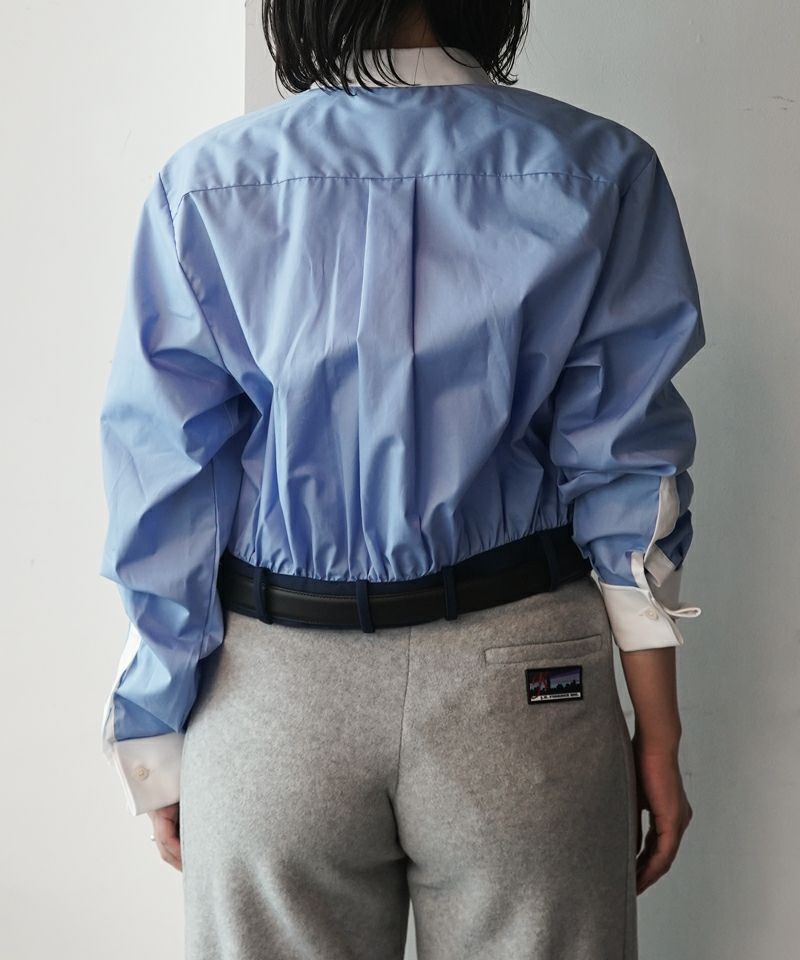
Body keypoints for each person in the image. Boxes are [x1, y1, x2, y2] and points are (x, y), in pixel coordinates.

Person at [98, 1, 705, 957]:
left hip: (273, 693)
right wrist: (658, 733)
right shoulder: (600, 168)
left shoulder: (209, 183)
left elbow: (164, 492)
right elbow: (630, 475)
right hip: (523, 673)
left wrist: (152, 735)